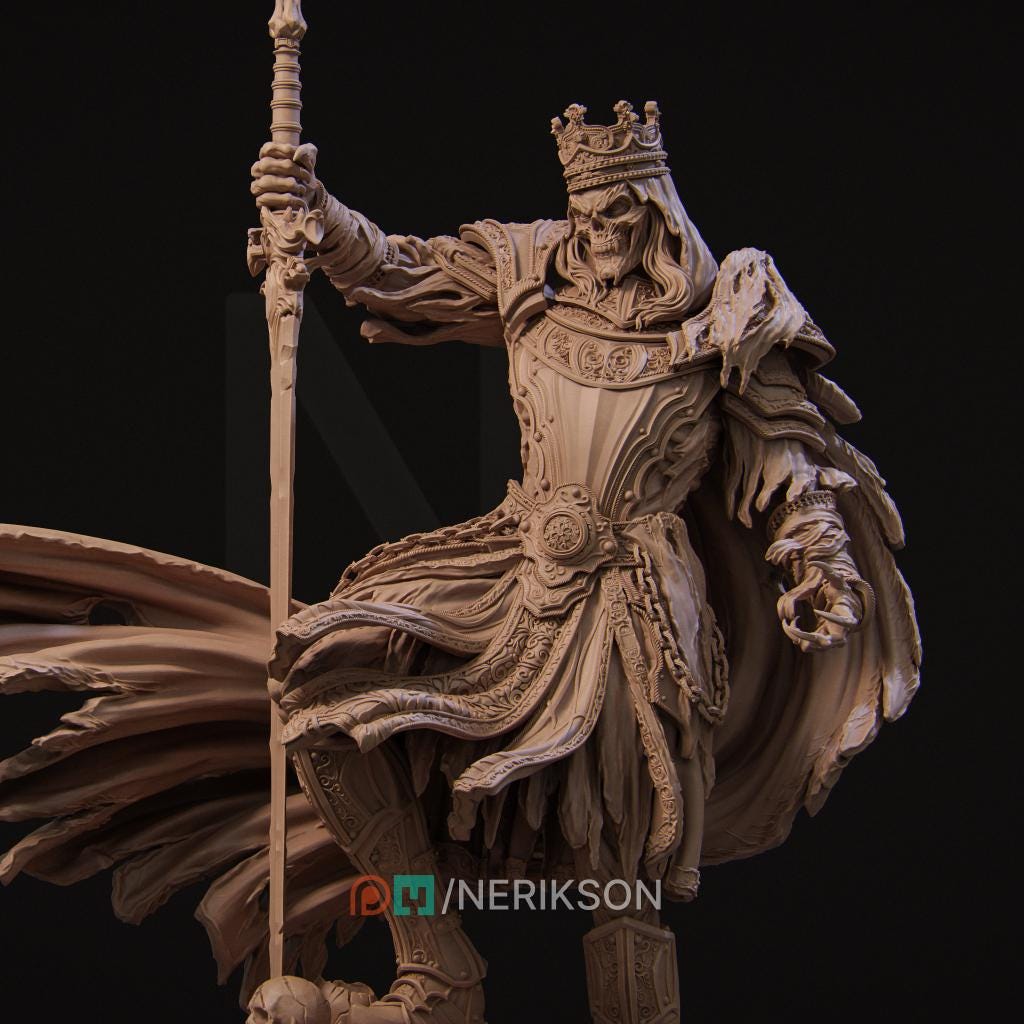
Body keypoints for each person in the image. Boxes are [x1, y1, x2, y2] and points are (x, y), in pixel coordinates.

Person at [240, 100, 920, 1023]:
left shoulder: (726, 310)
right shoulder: (529, 269)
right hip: (515, 564)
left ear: (658, 212)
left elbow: (785, 460)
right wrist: (316, 211)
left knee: (616, 841)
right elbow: (396, 267)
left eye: (620, 216)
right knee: (326, 688)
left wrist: (818, 560)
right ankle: (437, 966)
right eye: (588, 214)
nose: (599, 234)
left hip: (637, 595)